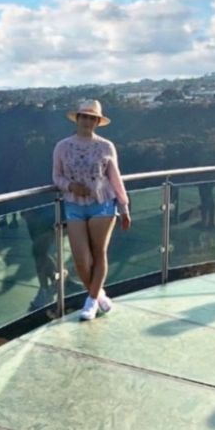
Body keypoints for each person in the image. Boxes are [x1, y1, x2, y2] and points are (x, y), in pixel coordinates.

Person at [52, 99, 131, 321]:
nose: (87, 121)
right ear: (77, 119)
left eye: (92, 118)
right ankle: (100, 296)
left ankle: (90, 302)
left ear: (97, 122)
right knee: (80, 260)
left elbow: (115, 178)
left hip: (103, 203)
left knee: (99, 254)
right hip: (74, 204)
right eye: (84, 116)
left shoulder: (106, 146)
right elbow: (56, 176)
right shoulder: (62, 146)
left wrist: (124, 207)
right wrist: (70, 186)